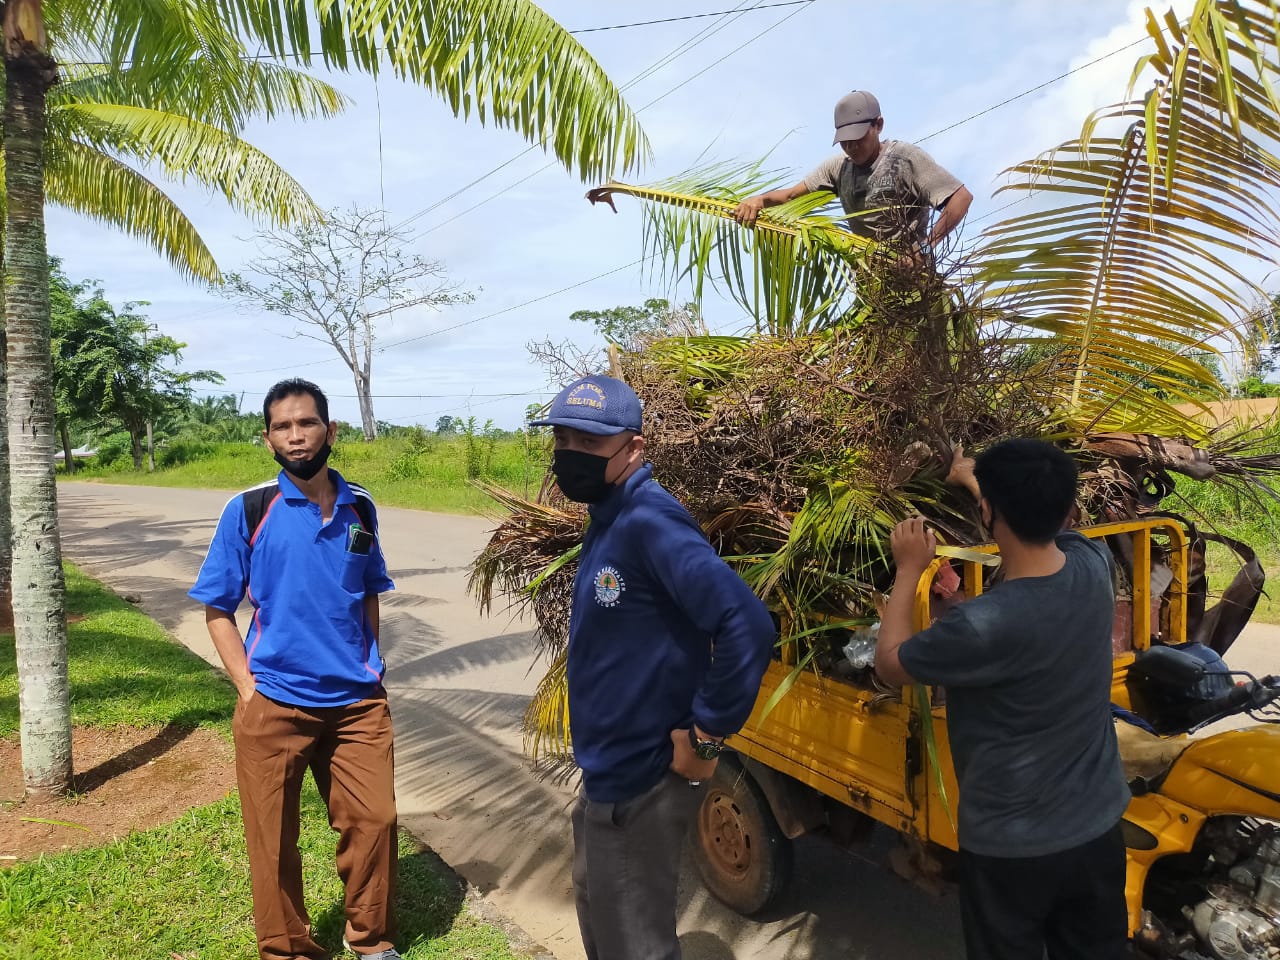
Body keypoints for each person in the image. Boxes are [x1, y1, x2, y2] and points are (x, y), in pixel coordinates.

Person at [530, 374, 775, 960]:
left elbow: (749, 625)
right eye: (563, 440)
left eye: (589, 444)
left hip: (643, 781)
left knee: (635, 944)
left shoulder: (649, 520)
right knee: (605, 923)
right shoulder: (608, 515)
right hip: (609, 775)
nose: (571, 456)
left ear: (634, 448)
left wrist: (706, 738)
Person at [874, 439, 1130, 960]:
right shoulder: (1093, 567)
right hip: (1098, 830)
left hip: (1012, 850)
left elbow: (890, 663)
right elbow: (1064, 528)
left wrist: (909, 569)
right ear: (1064, 508)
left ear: (988, 511)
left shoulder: (982, 625)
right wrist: (975, 481)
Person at [189, 378, 400, 960]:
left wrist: (373, 661)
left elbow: (369, 592)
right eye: (282, 427)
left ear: (330, 430)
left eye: (306, 423)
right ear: (268, 440)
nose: (296, 436)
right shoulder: (250, 508)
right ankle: (289, 951)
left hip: (357, 703)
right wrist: (247, 687)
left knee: (375, 822)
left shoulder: (361, 505)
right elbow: (217, 607)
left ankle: (371, 940)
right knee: (272, 842)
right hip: (275, 703)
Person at [733, 90, 973, 260]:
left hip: (913, 283)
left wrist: (925, 249)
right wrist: (759, 201)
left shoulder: (905, 159)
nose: (851, 147)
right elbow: (791, 197)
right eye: (844, 142)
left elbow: (961, 198)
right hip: (871, 291)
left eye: (858, 139)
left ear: (878, 125)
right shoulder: (838, 168)